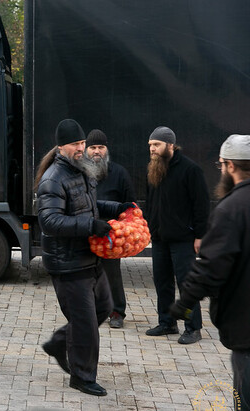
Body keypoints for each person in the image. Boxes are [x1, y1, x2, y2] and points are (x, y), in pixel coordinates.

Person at [35, 119, 133, 397]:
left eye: (82, 143)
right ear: (61, 146)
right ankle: (82, 376)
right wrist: (91, 226)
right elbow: (50, 221)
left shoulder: (82, 171)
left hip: (89, 257)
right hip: (67, 263)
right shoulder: (53, 178)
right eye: (76, 144)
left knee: (105, 306)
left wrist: (117, 207)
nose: (82, 148)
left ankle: (58, 343)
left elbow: (90, 205)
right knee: (86, 324)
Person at [170, 134, 250, 410]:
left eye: (221, 165)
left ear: (230, 166)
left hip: (245, 326)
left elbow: (210, 266)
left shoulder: (231, 208)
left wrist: (183, 303)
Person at [145, 126, 210, 345]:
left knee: (186, 284)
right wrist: (150, 227)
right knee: (162, 282)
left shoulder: (190, 169)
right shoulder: (154, 169)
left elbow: (201, 205)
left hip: (183, 238)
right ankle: (167, 322)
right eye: (151, 145)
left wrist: (199, 235)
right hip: (160, 238)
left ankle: (193, 327)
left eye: (157, 145)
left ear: (170, 145)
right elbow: (151, 202)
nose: (152, 149)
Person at [85, 129, 136, 328]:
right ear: (86, 150)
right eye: (93, 148)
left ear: (107, 149)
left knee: (111, 275)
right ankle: (91, 311)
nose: (97, 151)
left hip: (111, 236)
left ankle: (117, 312)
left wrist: (124, 229)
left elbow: (130, 204)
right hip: (86, 231)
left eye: (101, 147)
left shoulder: (119, 173)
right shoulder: (80, 173)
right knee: (85, 274)